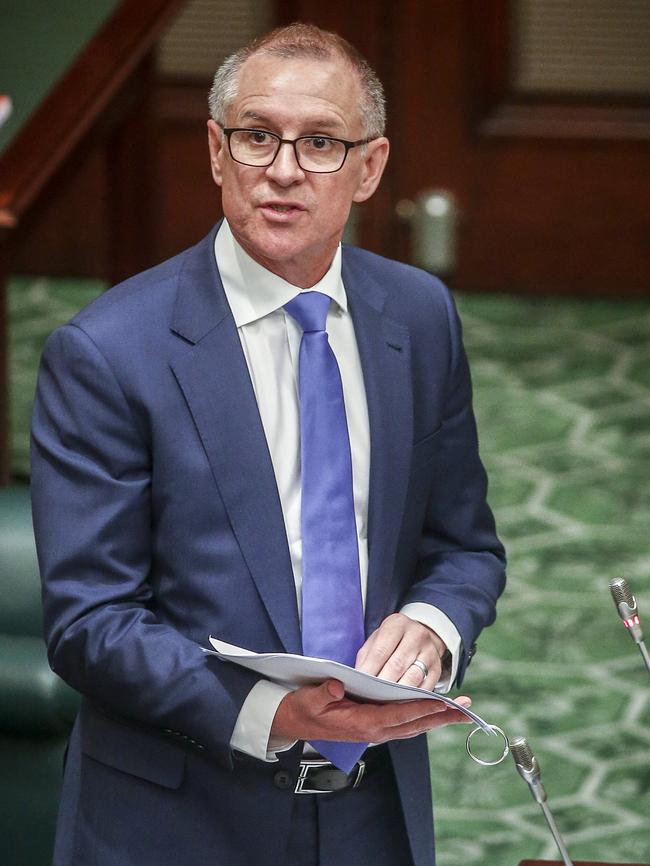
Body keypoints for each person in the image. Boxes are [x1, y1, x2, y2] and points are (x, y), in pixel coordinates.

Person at [30, 22, 505, 866]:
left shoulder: (419, 318)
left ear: (370, 169)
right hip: (178, 817)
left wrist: (432, 624)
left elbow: (463, 544)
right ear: (217, 152)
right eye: (257, 136)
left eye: (321, 142)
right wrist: (274, 712)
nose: (283, 170)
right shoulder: (107, 353)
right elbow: (90, 622)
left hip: (375, 815)